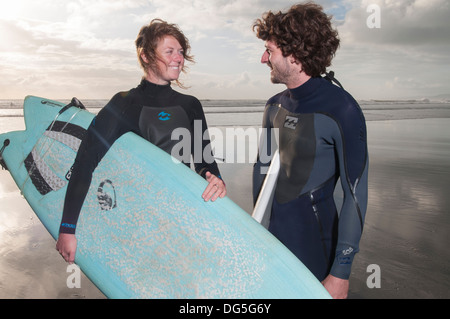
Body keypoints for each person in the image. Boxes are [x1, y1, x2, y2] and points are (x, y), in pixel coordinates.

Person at [56, 19, 226, 264]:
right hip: (135, 220)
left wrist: (214, 180)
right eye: (169, 51)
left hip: (180, 217)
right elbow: (85, 161)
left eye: (181, 52)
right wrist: (68, 229)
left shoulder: (190, 105)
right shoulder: (124, 104)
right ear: (146, 56)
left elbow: (205, 163)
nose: (178, 58)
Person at [252, 3, 368, 299]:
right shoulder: (274, 106)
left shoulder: (341, 109)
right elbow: (262, 171)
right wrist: (254, 231)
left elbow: (355, 192)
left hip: (316, 245)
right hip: (272, 240)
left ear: (294, 54)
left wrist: (340, 273)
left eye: (270, 50)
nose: (263, 58)